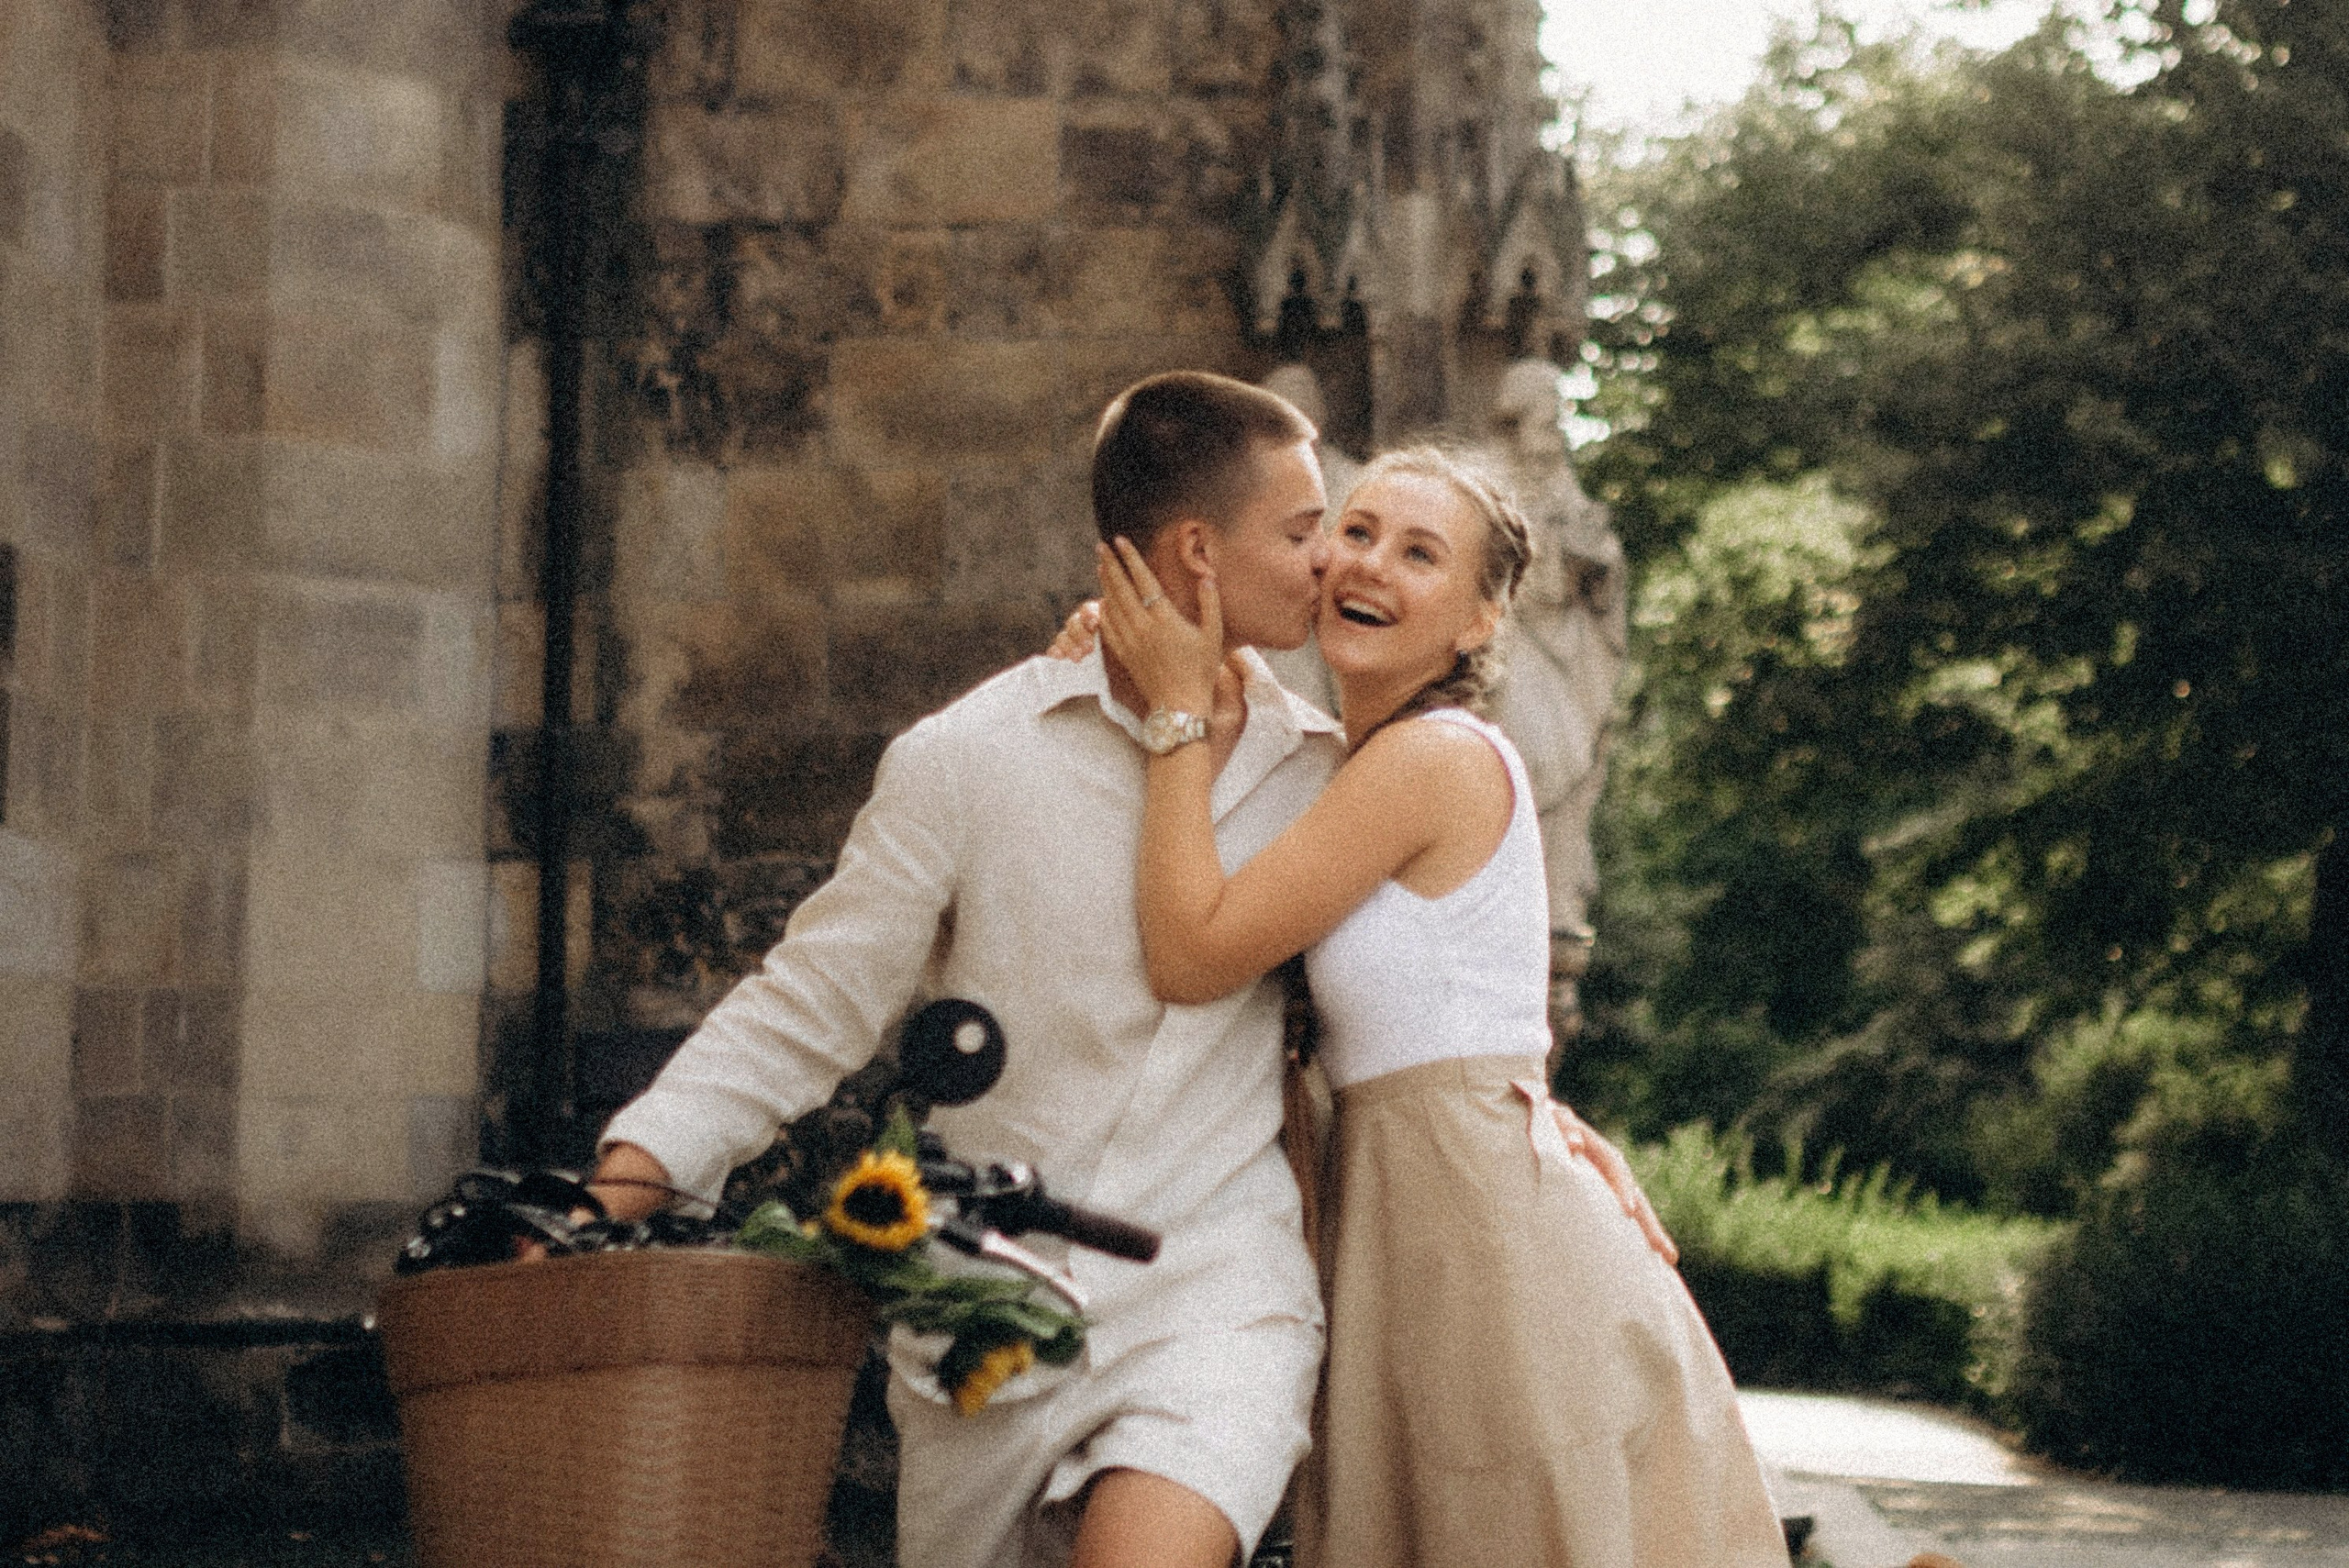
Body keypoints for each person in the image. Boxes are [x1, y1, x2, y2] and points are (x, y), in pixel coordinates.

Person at [586, 370, 1344, 1568]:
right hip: (987, 1316)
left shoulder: (1326, 776)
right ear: (1198, 550)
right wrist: (618, 1185)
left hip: (1221, 1289)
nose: (1330, 560)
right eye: (1302, 531)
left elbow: (1404, 1010)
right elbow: (813, 1002)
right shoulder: (965, 759)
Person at [1090, 445, 1789, 1568]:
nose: (1371, 562)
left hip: (1480, 1245)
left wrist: (1172, 708)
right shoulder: (1354, 765)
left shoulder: (1431, 759)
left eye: (1421, 552)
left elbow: (1191, 951)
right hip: (1423, 1215)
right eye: (1355, 531)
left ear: (1478, 621)